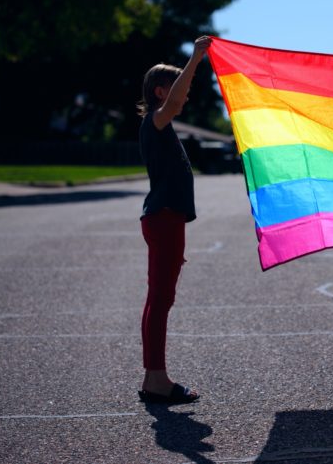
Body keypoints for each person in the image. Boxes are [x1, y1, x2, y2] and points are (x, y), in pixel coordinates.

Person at [136, 35, 212, 404]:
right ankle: (157, 381)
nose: (185, 93)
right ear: (161, 91)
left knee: (159, 299)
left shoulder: (160, 126)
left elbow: (181, 96)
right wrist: (197, 57)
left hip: (166, 218)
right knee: (161, 299)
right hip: (164, 218)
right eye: (177, 85)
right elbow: (179, 97)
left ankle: (154, 377)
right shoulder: (157, 120)